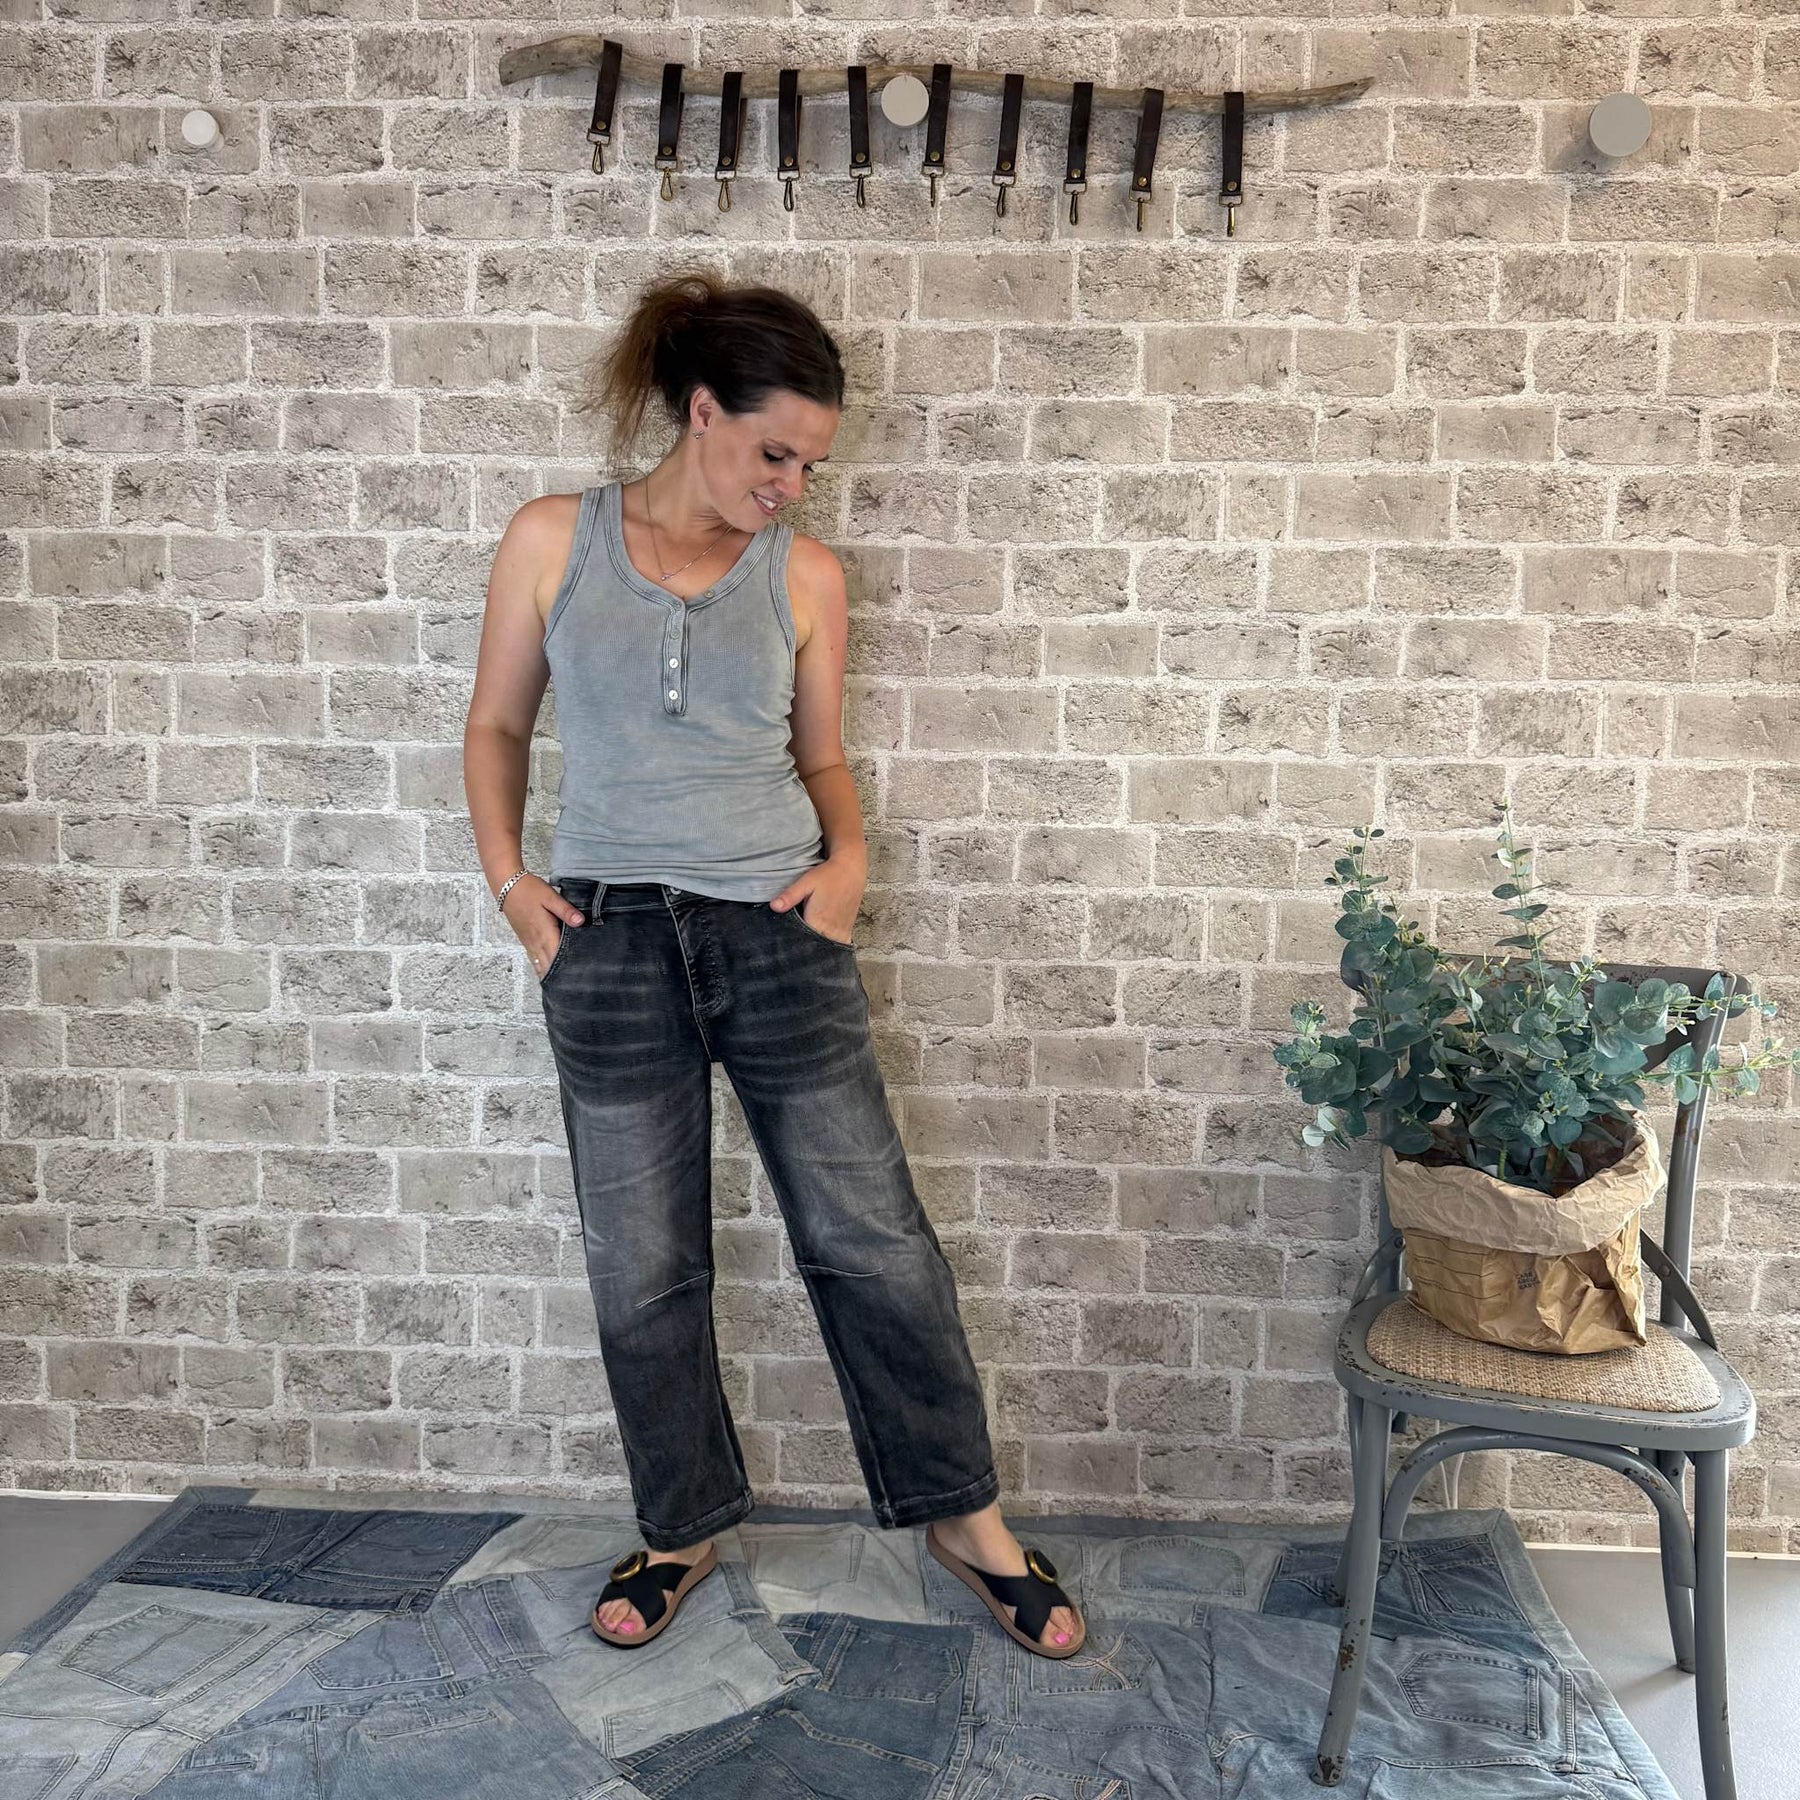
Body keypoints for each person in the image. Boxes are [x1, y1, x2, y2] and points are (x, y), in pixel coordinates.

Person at [462, 271, 1085, 1660]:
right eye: (776, 453)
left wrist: (848, 861)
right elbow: (496, 725)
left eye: (809, 464)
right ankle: (681, 1523)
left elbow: (821, 755)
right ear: (702, 413)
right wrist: (511, 885)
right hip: (605, 938)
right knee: (644, 1261)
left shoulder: (805, 576)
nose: (792, 486)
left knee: (872, 1239)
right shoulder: (553, 540)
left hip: (777, 932)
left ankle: (965, 1517)